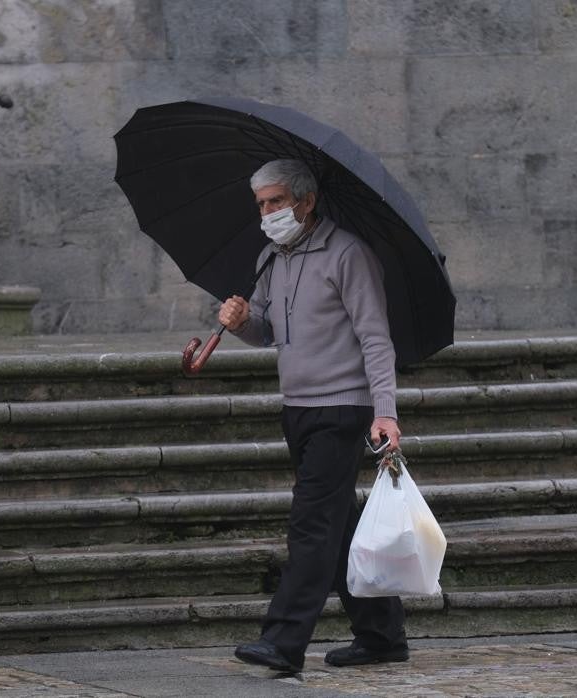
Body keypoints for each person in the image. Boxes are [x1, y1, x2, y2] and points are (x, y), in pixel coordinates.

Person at [222, 159, 408, 672]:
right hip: (297, 410)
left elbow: (375, 338)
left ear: (306, 202)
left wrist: (385, 413)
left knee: (311, 525)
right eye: (261, 204)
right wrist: (239, 322)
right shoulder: (270, 258)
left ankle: (283, 641)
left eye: (276, 202)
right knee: (339, 523)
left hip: (342, 408)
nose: (268, 213)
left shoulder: (347, 254)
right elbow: (266, 332)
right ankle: (382, 634)